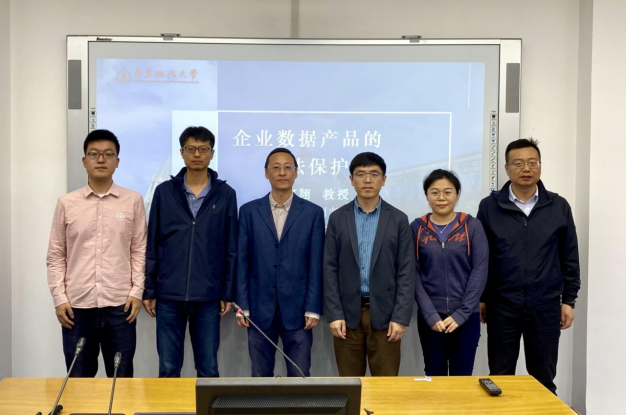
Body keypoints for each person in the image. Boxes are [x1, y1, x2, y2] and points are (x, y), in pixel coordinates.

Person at [477, 138, 580, 394]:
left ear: (540, 166)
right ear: (506, 168)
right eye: (519, 163)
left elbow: (569, 256)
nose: (526, 168)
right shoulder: (489, 206)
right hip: (502, 305)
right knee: (500, 378)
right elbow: (482, 257)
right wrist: (482, 298)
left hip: (545, 305)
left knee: (543, 378)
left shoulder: (558, 206)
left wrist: (569, 300)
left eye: (533, 162)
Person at [47, 129, 147, 377]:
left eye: (108, 154)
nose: (101, 159)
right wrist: (59, 298)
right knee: (79, 380)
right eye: (94, 154)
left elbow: (139, 250)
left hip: (120, 306)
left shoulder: (133, 201)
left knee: (121, 379)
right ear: (84, 161)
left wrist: (137, 291)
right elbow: (56, 254)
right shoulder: (67, 203)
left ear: (117, 161)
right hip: (76, 308)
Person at [143, 126, 237, 378]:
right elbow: (153, 243)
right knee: (168, 369)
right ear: (182, 152)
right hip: (168, 295)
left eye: (203, 149)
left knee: (208, 369)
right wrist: (149, 289)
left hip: (208, 295)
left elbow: (231, 248)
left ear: (212, 153)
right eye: (191, 149)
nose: (197, 154)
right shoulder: (165, 192)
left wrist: (227, 292)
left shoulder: (225, 195)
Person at [323, 152, 415, 376]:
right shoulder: (337, 218)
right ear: (351, 179)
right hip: (346, 317)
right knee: (350, 384)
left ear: (384, 179)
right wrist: (334, 314)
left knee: (386, 385)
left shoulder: (398, 219)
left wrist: (400, 317)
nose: (367, 180)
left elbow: (406, 271)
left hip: (386, 316)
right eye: (360, 174)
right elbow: (329, 269)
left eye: (374, 174)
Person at [235, 148, 325, 377]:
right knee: (260, 376)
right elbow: (242, 262)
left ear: (296, 173)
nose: (282, 172)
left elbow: (316, 264)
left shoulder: (313, 213)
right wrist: (242, 305)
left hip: (298, 311)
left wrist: (313, 308)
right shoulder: (248, 212)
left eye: (288, 167)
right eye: (276, 167)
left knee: (300, 376)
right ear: (266, 173)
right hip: (258, 309)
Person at [411, 169, 488, 376]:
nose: (441, 198)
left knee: (462, 377)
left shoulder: (472, 226)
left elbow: (480, 271)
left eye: (448, 192)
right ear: (426, 195)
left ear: (457, 194)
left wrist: (462, 313)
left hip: (466, 317)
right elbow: (413, 274)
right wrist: (429, 314)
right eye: (434, 192)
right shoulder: (417, 228)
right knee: (434, 375)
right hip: (431, 319)